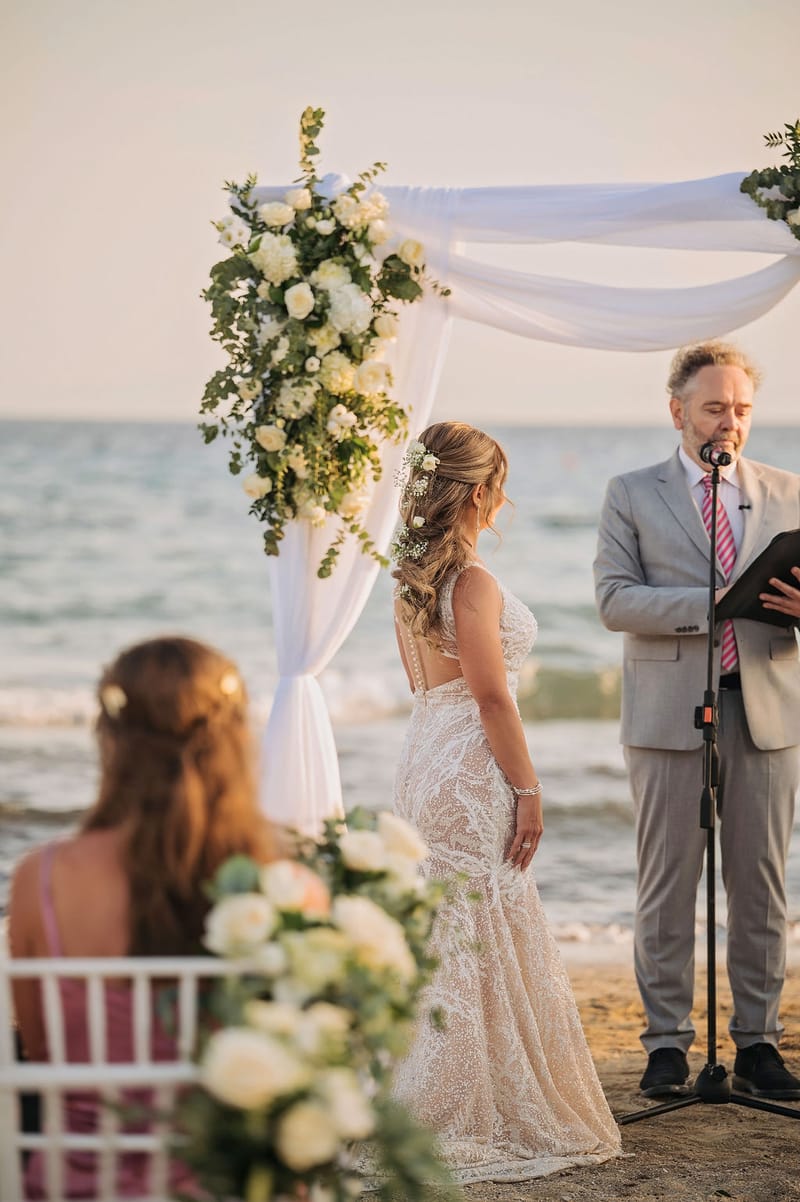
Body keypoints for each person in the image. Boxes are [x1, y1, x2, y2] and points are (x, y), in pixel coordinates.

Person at [390, 422, 621, 1185]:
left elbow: (431, 688)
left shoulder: (410, 579)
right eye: (500, 486)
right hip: (469, 770)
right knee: (480, 917)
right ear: (480, 492)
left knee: (447, 929)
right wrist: (528, 791)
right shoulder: (475, 584)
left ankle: (437, 1091)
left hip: (424, 757)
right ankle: (459, 1107)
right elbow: (492, 698)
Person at [594, 340, 800, 1100]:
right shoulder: (630, 492)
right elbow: (614, 599)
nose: (729, 422)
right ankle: (666, 1044)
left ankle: (757, 1043)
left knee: (762, 886)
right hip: (668, 714)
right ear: (677, 409)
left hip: (769, 710)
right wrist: (709, 605)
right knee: (666, 883)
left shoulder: (788, 489)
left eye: (741, 409)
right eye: (715, 407)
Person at [8, 635, 275, 1199]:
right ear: (233, 736)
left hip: (77, 1179)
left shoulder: (42, 877)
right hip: (226, 1180)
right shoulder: (278, 878)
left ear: (112, 738)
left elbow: (41, 1049)